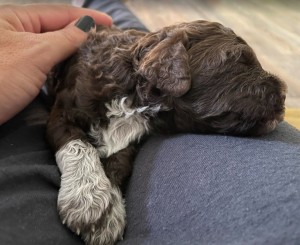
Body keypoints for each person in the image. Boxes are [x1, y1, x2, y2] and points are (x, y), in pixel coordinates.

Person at [0, 1, 300, 245]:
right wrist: (86, 170)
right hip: (119, 52)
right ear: (170, 72)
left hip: (142, 50)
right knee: (109, 13)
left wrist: (113, 184)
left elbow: (129, 140)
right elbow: (64, 122)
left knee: (115, 17)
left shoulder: (161, 94)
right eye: (236, 63)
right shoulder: (93, 85)